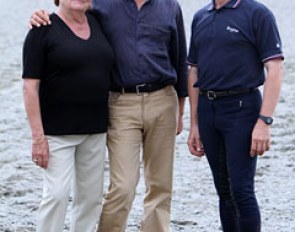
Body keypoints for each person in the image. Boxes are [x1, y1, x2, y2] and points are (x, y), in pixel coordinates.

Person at [30, 0, 188, 231]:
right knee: (123, 186)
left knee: (161, 186)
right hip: (122, 103)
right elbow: (70, 14)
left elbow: (179, 58)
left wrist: (180, 110)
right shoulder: (102, 4)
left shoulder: (170, 6)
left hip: (163, 100)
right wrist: (42, 16)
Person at [187, 0, 284, 231]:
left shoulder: (257, 13)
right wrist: (194, 124)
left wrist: (264, 121)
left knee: (241, 190)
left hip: (242, 108)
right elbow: (193, 71)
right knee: (223, 189)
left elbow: (276, 68)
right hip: (208, 109)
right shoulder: (201, 16)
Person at [22, 0, 114, 231]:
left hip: (95, 129)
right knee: (56, 196)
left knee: (90, 199)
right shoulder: (42, 29)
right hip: (56, 134)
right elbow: (29, 87)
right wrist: (37, 138)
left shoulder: (99, 22)